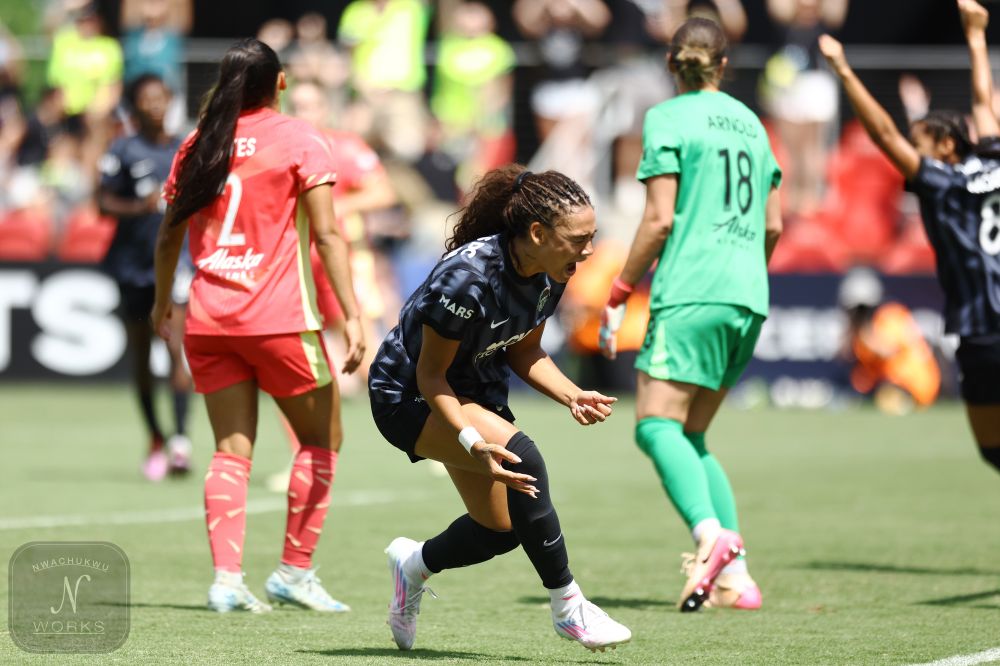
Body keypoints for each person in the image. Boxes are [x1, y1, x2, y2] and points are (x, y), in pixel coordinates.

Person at [368, 165, 632, 652]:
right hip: (406, 396)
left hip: (470, 391)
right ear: (537, 233)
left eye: (592, 237)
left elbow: (524, 349)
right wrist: (472, 441)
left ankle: (413, 564)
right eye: (580, 238)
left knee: (501, 531)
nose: (589, 249)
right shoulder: (466, 280)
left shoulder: (551, 269)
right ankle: (568, 607)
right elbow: (431, 376)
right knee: (523, 458)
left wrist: (572, 394)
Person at [151, 38, 365, 614]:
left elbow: (170, 230)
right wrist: (352, 314)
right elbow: (327, 235)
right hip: (279, 320)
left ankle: (226, 580)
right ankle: (294, 572)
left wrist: (159, 304)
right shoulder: (300, 138)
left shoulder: (199, 143)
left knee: (229, 451)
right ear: (282, 83)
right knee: (323, 442)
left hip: (208, 319)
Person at [599, 17, 783, 612]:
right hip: (747, 293)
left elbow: (658, 219)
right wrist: (745, 273)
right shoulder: (754, 124)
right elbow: (774, 224)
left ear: (671, 63)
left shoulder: (668, 118)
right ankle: (739, 580)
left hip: (692, 288)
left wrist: (621, 288)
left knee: (654, 425)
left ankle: (712, 541)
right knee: (693, 433)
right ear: (723, 64)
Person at [819, 0, 1000, 477]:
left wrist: (843, 71)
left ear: (946, 146)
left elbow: (881, 132)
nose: (913, 147)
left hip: (983, 331)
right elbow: (984, 102)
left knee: (991, 450)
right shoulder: (997, 161)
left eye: (920, 140)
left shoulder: (945, 182)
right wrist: (976, 36)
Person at [97, 73, 191, 481]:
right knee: (140, 357)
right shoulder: (122, 149)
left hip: (177, 266)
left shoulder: (185, 149)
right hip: (132, 267)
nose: (155, 106)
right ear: (136, 106)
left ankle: (181, 440)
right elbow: (102, 202)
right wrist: (142, 207)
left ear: (169, 100)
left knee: (178, 351)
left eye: (160, 98)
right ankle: (154, 435)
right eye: (146, 100)